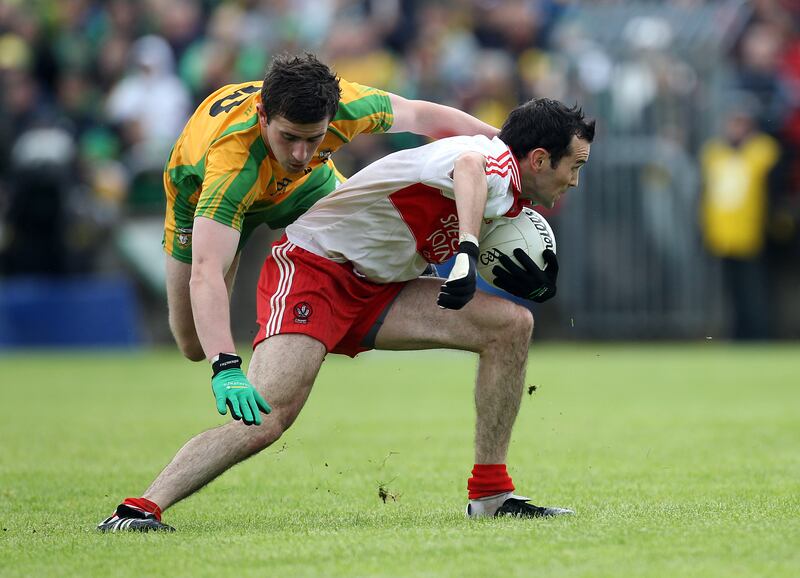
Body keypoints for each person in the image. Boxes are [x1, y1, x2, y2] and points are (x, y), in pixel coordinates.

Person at [98, 97, 594, 531]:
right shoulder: (492, 162)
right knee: (268, 419)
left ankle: (491, 495)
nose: (574, 180)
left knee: (511, 326)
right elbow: (468, 165)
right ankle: (140, 508)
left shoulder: (506, 185)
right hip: (317, 271)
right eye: (573, 167)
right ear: (539, 158)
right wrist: (466, 249)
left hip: (380, 287)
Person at [162, 52, 498, 373]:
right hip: (202, 198)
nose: (299, 154)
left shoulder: (346, 106)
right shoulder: (231, 165)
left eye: (313, 140)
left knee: (373, 225)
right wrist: (225, 366)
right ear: (263, 115)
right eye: (289, 137)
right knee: (194, 344)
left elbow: (420, 116)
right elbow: (205, 272)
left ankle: (402, 295)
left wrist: (505, 143)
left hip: (306, 186)